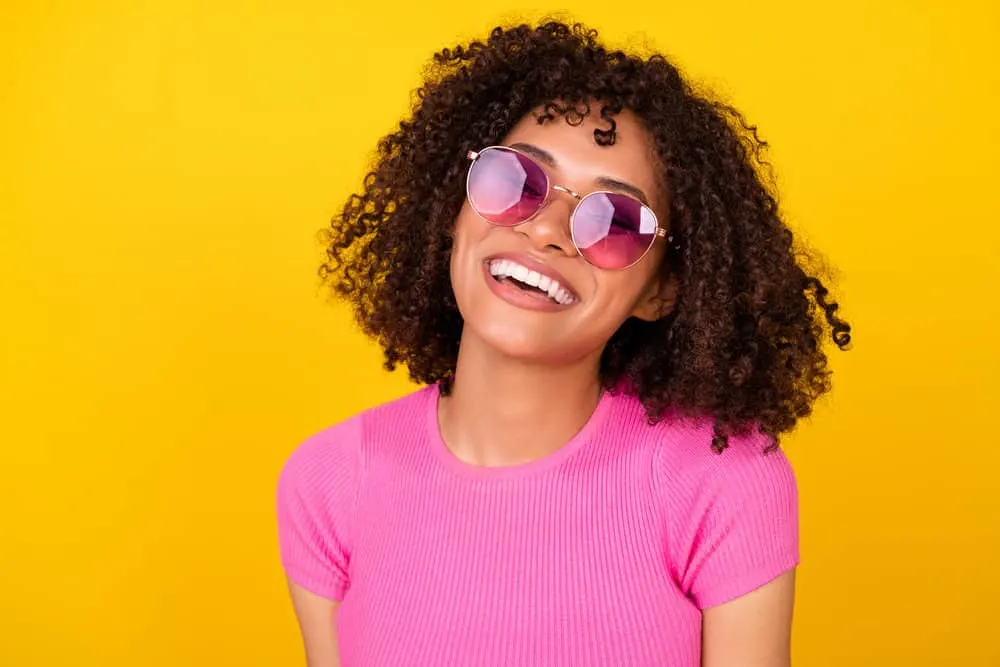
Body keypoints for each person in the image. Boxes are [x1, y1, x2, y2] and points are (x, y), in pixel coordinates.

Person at [276, 19, 851, 667]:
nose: (548, 229)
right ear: (455, 208)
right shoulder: (327, 484)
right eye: (516, 180)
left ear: (661, 290)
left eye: (615, 220)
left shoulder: (722, 484)